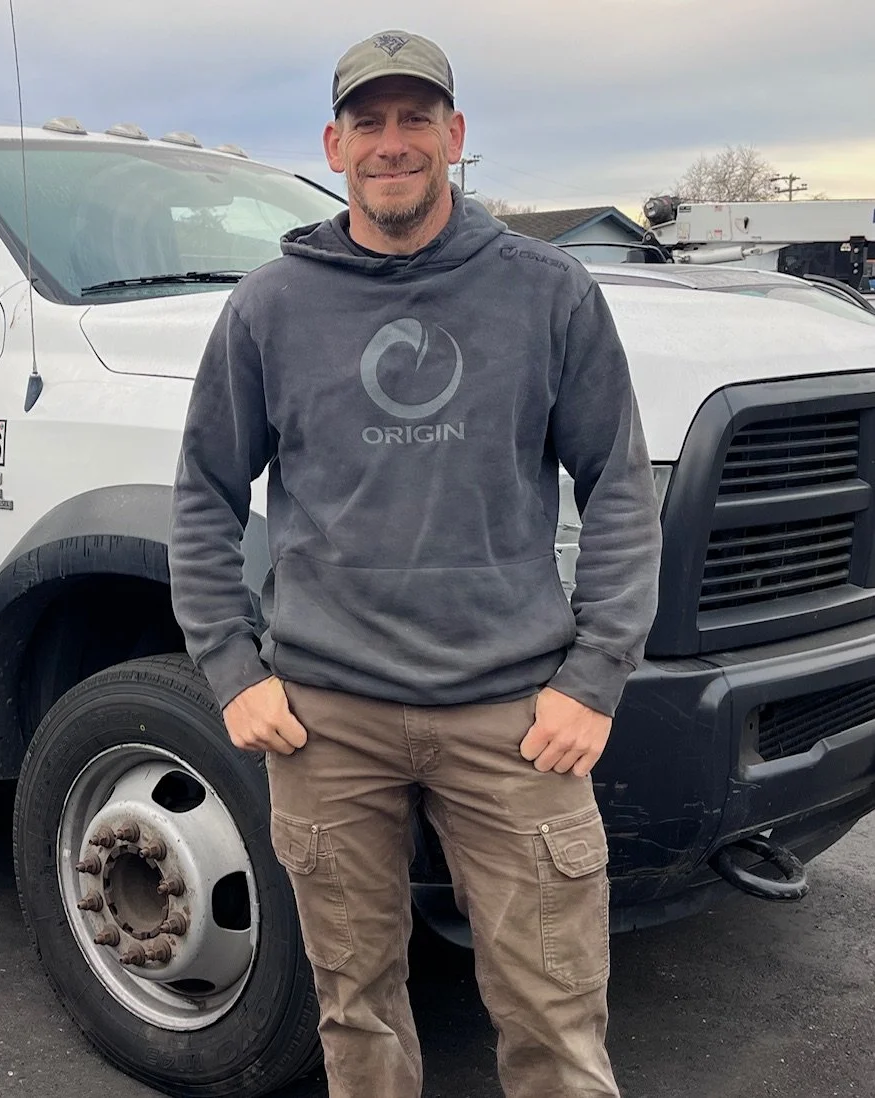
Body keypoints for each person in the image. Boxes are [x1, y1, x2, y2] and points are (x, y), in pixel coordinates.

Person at [168, 29, 662, 1098]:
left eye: (414, 119)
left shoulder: (548, 294)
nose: (393, 144)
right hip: (325, 722)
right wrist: (230, 672)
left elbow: (618, 487)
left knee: (555, 1023)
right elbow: (204, 494)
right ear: (333, 144)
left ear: (454, 135)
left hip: (513, 723)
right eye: (369, 123)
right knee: (356, 1011)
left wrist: (593, 677)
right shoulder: (268, 307)